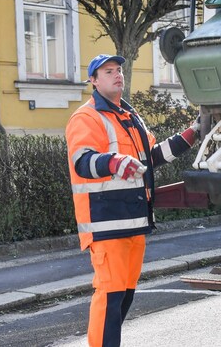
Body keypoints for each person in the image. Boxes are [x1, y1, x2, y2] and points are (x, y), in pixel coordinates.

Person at [65, 54, 199, 347]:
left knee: (123, 295)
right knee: (110, 296)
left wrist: (191, 133)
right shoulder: (86, 117)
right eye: (108, 71)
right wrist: (113, 162)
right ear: (94, 81)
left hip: (134, 222)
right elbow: (82, 161)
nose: (117, 75)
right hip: (105, 223)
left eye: (119, 70)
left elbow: (151, 158)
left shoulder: (129, 116)